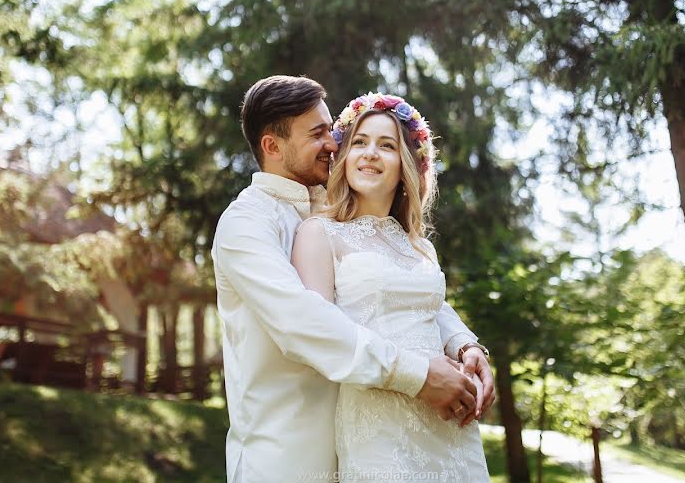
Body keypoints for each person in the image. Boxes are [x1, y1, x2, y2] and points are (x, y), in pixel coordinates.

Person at [211, 76, 494, 482]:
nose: (334, 142)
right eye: (318, 134)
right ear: (273, 147)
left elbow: (399, 282)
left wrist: (464, 342)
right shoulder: (246, 224)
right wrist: (418, 374)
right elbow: (302, 322)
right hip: (288, 455)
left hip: (374, 435)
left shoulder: (336, 209)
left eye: (331, 128)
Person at [292, 92, 490, 481]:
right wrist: (417, 377)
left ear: (406, 166)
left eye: (387, 146)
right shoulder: (320, 233)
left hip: (448, 416)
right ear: (344, 156)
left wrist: (469, 347)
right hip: (379, 419)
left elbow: (434, 308)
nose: (370, 154)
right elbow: (322, 334)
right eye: (360, 143)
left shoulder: (419, 246)